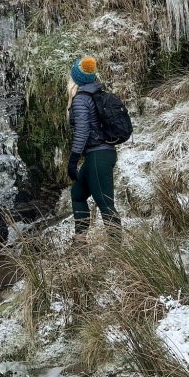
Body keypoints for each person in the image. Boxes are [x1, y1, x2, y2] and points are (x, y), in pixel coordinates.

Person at [66, 56, 121, 243]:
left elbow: (82, 131)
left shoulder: (81, 100)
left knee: (105, 203)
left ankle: (117, 251)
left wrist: (73, 160)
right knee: (78, 194)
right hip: (100, 154)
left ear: (76, 78)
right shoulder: (96, 93)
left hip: (98, 155)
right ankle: (80, 239)